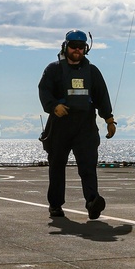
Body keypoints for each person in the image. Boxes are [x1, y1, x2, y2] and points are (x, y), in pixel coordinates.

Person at [38, 30, 116, 221]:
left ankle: (92, 202)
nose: (77, 50)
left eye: (81, 47)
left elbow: (101, 96)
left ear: (86, 49)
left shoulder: (92, 72)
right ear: (66, 46)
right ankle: (55, 205)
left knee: (88, 166)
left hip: (85, 126)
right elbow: (44, 91)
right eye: (73, 46)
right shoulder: (53, 69)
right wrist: (53, 106)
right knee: (57, 165)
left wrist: (109, 119)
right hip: (60, 125)